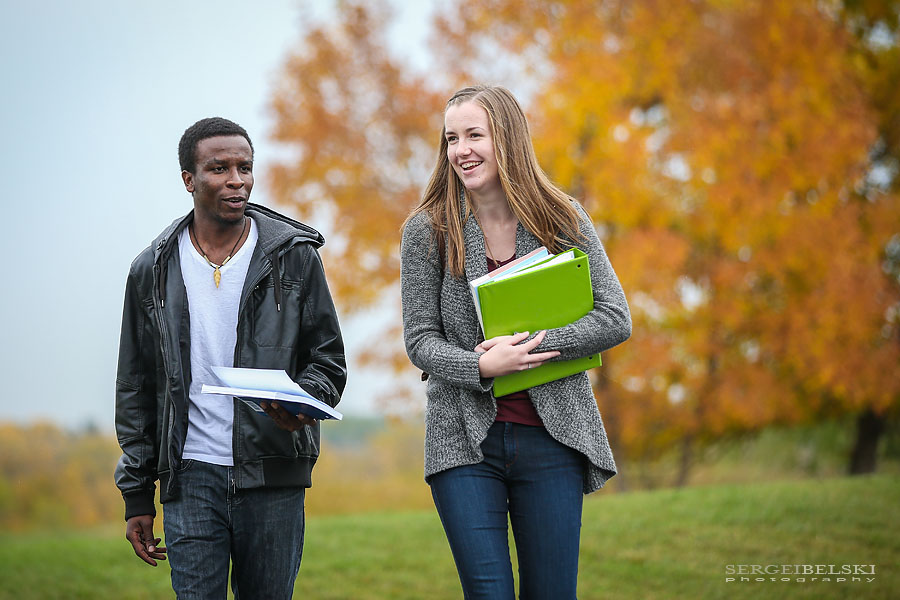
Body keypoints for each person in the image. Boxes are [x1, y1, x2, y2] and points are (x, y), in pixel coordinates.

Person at [400, 85, 631, 599]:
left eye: (474, 135)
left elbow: (615, 317)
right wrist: (481, 366)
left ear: (506, 138)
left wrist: (533, 346)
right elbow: (420, 340)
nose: (462, 150)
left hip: (553, 441)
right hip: (463, 442)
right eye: (452, 139)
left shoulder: (561, 218)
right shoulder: (427, 230)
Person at [114, 117, 346, 599]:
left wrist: (303, 404)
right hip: (189, 475)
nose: (235, 179)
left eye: (244, 167)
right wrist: (137, 492)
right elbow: (135, 387)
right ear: (189, 181)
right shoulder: (151, 271)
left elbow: (328, 359)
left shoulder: (294, 257)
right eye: (218, 168)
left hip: (273, 472)